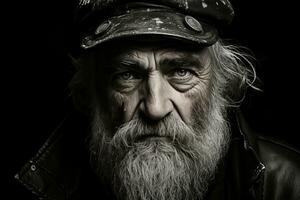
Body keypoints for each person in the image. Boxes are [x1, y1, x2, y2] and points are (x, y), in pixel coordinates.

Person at [14, 0, 300, 200]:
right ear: (88, 94)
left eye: (181, 71)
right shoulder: (42, 186)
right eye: (127, 74)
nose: (155, 107)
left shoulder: (288, 186)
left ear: (223, 86)